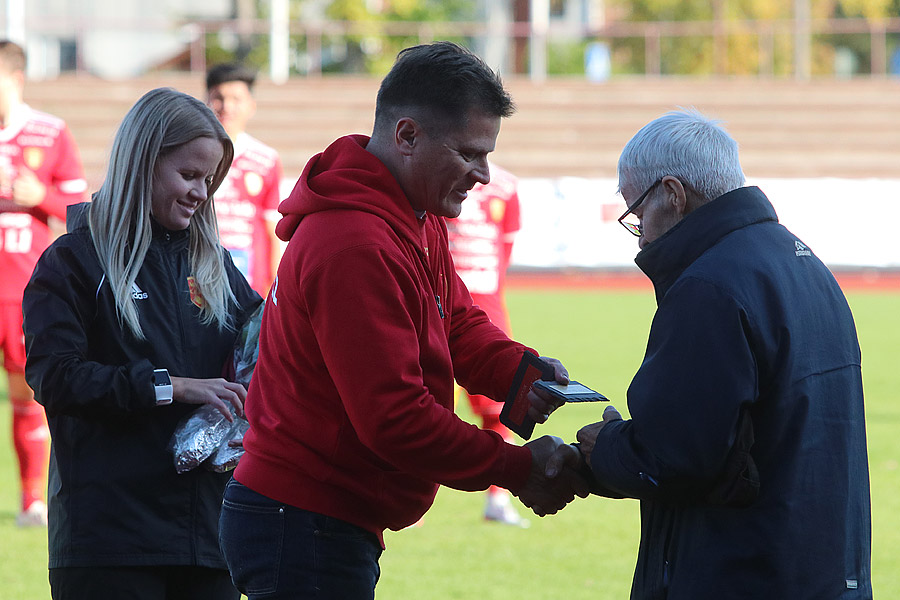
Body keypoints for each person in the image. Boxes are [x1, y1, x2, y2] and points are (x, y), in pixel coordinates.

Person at [218, 41, 587, 599]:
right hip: (303, 518)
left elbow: (456, 321)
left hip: (320, 514)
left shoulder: (412, 210)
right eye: (470, 154)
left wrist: (519, 374)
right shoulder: (354, 243)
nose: (484, 175)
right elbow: (393, 417)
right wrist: (516, 467)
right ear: (407, 136)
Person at [538, 109, 872, 598]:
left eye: (636, 216)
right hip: (819, 569)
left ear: (672, 196)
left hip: (742, 571)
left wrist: (603, 446)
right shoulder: (801, 261)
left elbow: (678, 457)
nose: (643, 238)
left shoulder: (710, 285)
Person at [22, 88, 262, 600]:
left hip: (211, 541)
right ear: (142, 161)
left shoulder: (216, 268)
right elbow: (54, 376)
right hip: (110, 543)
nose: (201, 192)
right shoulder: (74, 262)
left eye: (209, 180)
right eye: (188, 175)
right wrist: (170, 388)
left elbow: (265, 353)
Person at [0, 39, 87, 528]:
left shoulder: (49, 132)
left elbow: (78, 213)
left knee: (28, 395)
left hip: (22, 290)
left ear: (15, 79)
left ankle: (32, 499)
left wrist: (39, 195)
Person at [446, 162, 526, 526]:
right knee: (425, 400)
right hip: (439, 303)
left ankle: (498, 497)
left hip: (487, 305)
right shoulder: (439, 176)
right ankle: (409, 491)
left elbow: (504, 252)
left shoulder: (506, 187)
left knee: (500, 405)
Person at [206, 63, 284, 297]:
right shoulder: (191, 155)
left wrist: (274, 286)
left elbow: (272, 229)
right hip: (199, 275)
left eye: (236, 98)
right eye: (219, 98)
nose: (226, 106)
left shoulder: (266, 159)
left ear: (251, 105)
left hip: (249, 284)